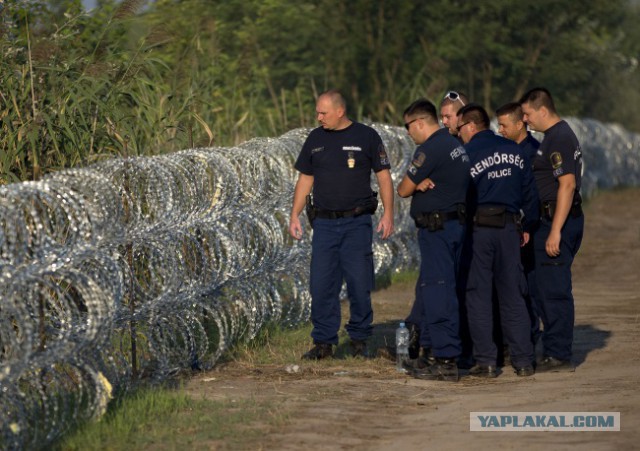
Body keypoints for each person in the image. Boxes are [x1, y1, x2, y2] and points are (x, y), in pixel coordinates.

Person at [289, 89, 395, 360]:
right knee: (321, 285)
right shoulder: (315, 139)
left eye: (323, 112)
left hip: (356, 223)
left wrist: (388, 214)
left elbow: (384, 177)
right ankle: (324, 342)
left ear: (340, 111)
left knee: (359, 283)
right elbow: (305, 180)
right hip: (324, 224)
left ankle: (359, 339)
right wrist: (294, 215)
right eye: (317, 112)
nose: (318, 117)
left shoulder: (366, 136)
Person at [457, 103, 539, 378]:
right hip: (509, 228)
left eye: (459, 129)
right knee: (512, 294)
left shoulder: (466, 154)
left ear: (470, 126)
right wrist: (527, 225)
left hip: (479, 230)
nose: (459, 135)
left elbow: (460, 196)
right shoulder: (515, 150)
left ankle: (487, 362)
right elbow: (530, 194)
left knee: (478, 295)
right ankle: (524, 361)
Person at [396, 99, 470, 382]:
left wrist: (416, 183)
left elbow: (403, 189)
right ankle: (432, 351)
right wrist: (422, 182)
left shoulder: (430, 149)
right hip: (453, 226)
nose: (407, 133)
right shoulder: (454, 146)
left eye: (407, 127)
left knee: (438, 292)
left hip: (437, 230)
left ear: (419, 123)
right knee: (437, 290)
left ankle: (445, 359)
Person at [519, 87, 584, 372]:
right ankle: (551, 346)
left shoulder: (559, 137)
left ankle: (558, 353)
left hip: (558, 221)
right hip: (547, 221)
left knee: (554, 289)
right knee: (541, 286)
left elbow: (567, 185)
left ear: (543, 110)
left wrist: (556, 230)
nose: (525, 119)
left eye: (528, 114)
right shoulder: (553, 137)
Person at [495, 102, 542, 351]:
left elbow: (534, 195)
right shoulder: (506, 151)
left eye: (504, 125)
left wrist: (527, 225)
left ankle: (531, 338)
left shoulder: (534, 152)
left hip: (528, 228)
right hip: (510, 229)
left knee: (528, 288)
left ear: (519, 123)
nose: (500, 130)